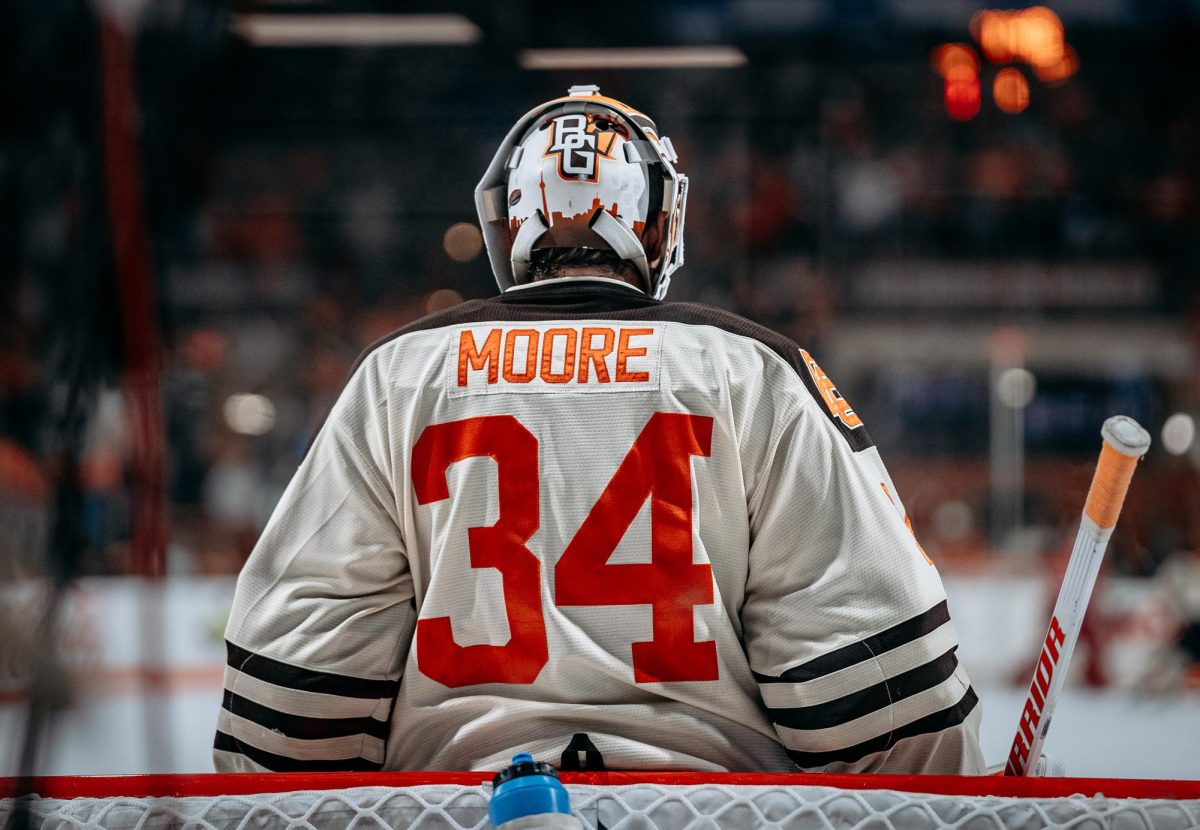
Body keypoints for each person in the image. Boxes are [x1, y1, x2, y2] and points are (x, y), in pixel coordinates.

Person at [213, 85, 985, 774]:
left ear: (510, 215)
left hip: (454, 805)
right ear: (656, 223)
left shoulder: (397, 375)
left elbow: (291, 713)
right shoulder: (752, 370)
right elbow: (887, 704)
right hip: (711, 810)